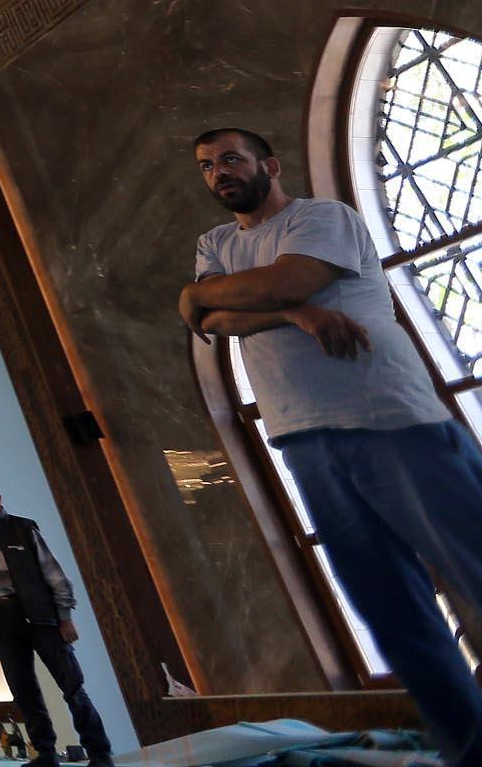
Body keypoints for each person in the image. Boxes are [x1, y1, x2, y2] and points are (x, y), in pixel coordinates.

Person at [179, 127, 482, 767]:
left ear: (270, 163)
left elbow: (277, 283)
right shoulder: (214, 242)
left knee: (473, 574)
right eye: (206, 167)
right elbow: (211, 321)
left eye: (230, 159)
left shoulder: (321, 217)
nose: (218, 174)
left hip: (390, 422)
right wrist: (296, 314)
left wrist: (213, 295)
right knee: (391, 610)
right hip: (302, 437)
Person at [0, 479, 111, 767]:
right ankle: (45, 753)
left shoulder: (23, 527)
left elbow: (54, 573)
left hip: (41, 618)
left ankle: (100, 752)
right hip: (3, 622)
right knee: (24, 691)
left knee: (72, 686)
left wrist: (64, 617)